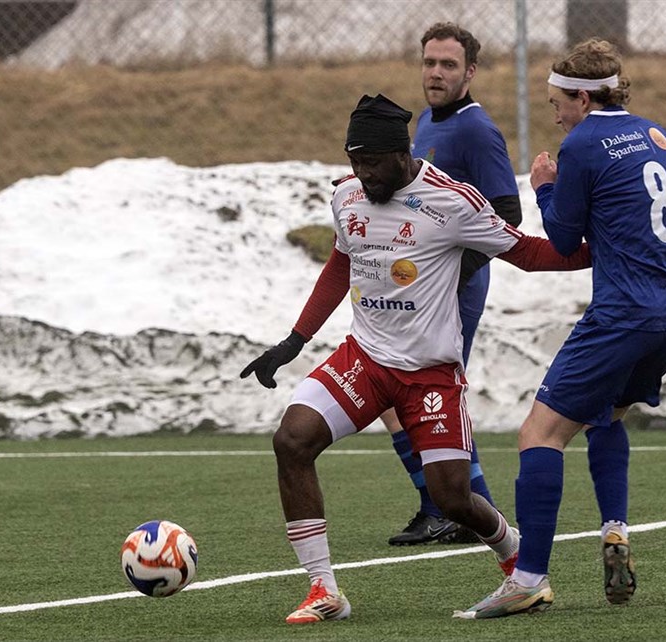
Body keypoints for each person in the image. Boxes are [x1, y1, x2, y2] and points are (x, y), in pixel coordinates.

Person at [239, 93, 591, 624]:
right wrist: (294, 341)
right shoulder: (348, 197)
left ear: (403, 155)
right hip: (364, 360)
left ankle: (513, 552)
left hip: (430, 377)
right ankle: (323, 590)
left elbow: (527, 253)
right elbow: (340, 265)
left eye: (372, 163)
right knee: (292, 440)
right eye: (355, 162)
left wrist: (608, 249)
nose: (363, 175)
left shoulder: (452, 202)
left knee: (453, 499)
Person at [455, 38, 666, 619]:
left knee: (538, 435)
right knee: (606, 415)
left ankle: (527, 579)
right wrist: (655, 261)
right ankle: (615, 528)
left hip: (623, 315)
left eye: (556, 103)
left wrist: (544, 185)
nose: (554, 115)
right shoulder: (660, 135)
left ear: (583, 99)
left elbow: (565, 236)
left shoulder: (581, 145)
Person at [383, 22, 523, 547]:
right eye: (429, 63)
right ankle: (452, 508)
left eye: (448, 64)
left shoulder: (476, 130)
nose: (436, 73)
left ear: (470, 72)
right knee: (398, 395)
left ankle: (459, 510)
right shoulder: (425, 121)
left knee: (427, 395)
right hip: (417, 289)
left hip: (454, 290)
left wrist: (451, 272)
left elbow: (507, 214)